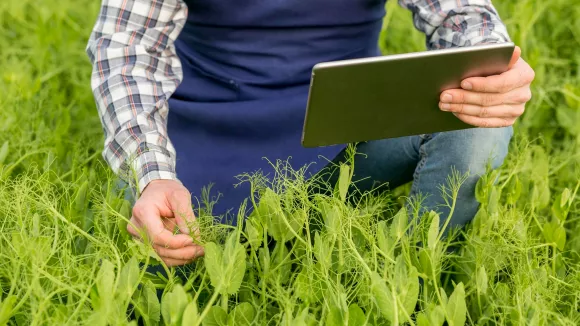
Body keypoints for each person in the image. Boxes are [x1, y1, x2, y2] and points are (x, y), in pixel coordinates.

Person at [86, 0, 535, 267]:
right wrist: (152, 174)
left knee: (479, 119)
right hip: (204, 148)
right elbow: (126, 50)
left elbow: (465, 16)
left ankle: (413, 285)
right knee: (172, 268)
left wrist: (492, 70)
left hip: (348, 136)